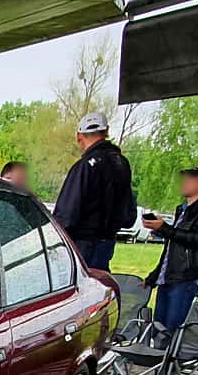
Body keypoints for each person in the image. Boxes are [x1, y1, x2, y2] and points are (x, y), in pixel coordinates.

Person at [142, 164, 198, 333]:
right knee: (159, 328)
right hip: (168, 276)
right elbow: (172, 246)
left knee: (173, 329)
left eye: (191, 179)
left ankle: (170, 359)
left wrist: (164, 228)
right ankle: (158, 357)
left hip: (186, 277)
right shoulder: (182, 210)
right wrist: (155, 275)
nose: (184, 182)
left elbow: (195, 239)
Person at [53, 111, 136, 272]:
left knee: (78, 289)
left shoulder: (85, 166)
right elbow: (129, 215)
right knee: (98, 284)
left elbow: (66, 215)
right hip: (106, 244)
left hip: (81, 246)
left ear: (79, 136)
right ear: (106, 132)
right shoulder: (122, 164)